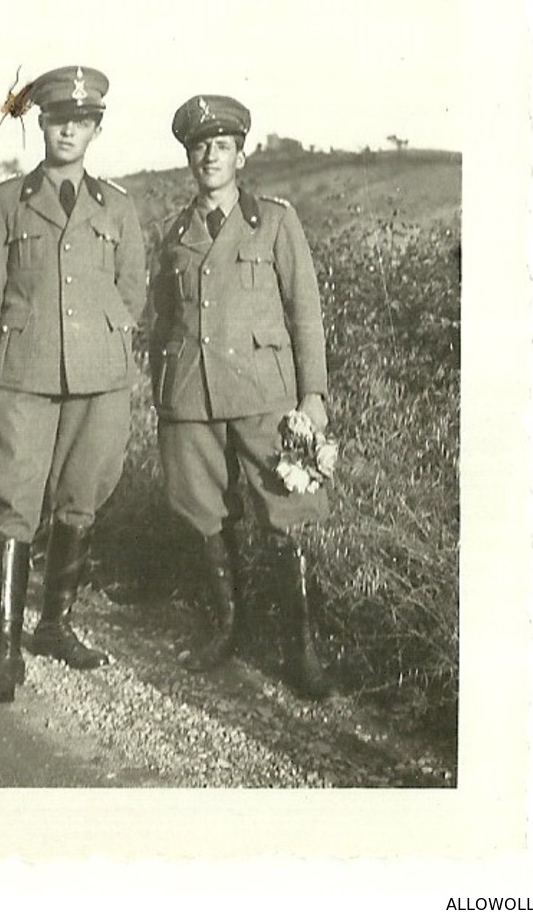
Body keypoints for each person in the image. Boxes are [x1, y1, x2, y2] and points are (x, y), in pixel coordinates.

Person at [0, 65, 147, 705]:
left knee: (81, 498)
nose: (69, 129)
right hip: (20, 377)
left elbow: (133, 290)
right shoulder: (5, 202)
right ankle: (5, 654)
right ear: (42, 124)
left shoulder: (117, 206)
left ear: (96, 129)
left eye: (82, 121)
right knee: (14, 502)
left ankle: (54, 625)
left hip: (99, 379)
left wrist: (107, 334)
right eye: (58, 119)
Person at [150, 94, 332, 699]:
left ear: (241, 155)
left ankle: (299, 649)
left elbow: (305, 313)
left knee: (286, 510)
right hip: (192, 397)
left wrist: (313, 396)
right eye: (200, 147)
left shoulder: (275, 221)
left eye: (221, 146)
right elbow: (163, 321)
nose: (209, 155)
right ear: (188, 158)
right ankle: (229, 629)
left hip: (263, 395)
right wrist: (163, 396)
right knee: (203, 509)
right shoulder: (174, 232)